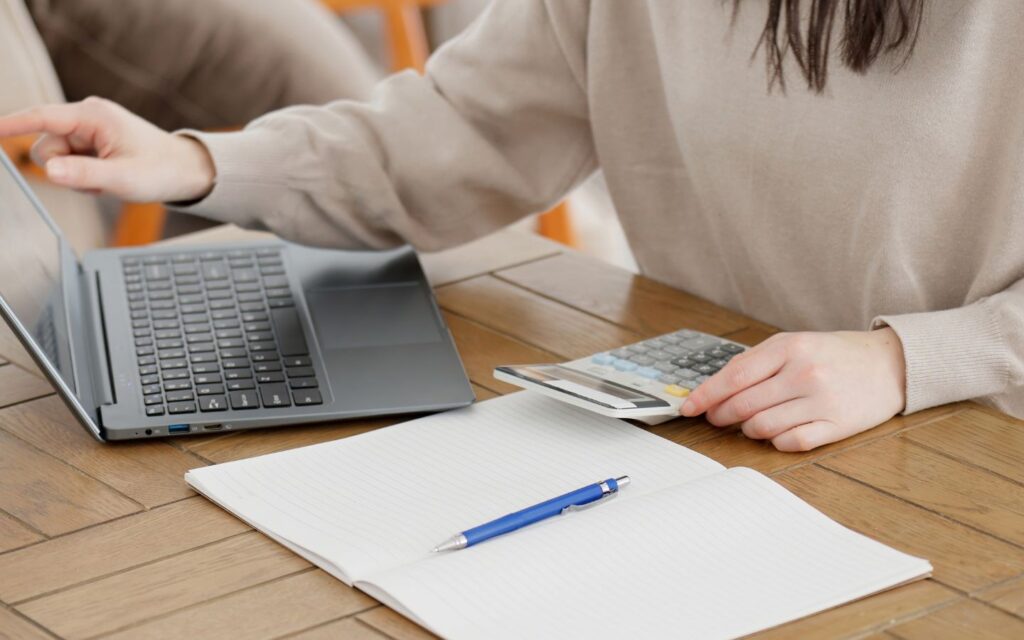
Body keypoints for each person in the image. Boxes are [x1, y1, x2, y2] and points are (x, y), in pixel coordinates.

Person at [1, 1, 1019, 452]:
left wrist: (905, 363)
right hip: (722, 430)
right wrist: (198, 161)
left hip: (970, 446)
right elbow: (463, 128)